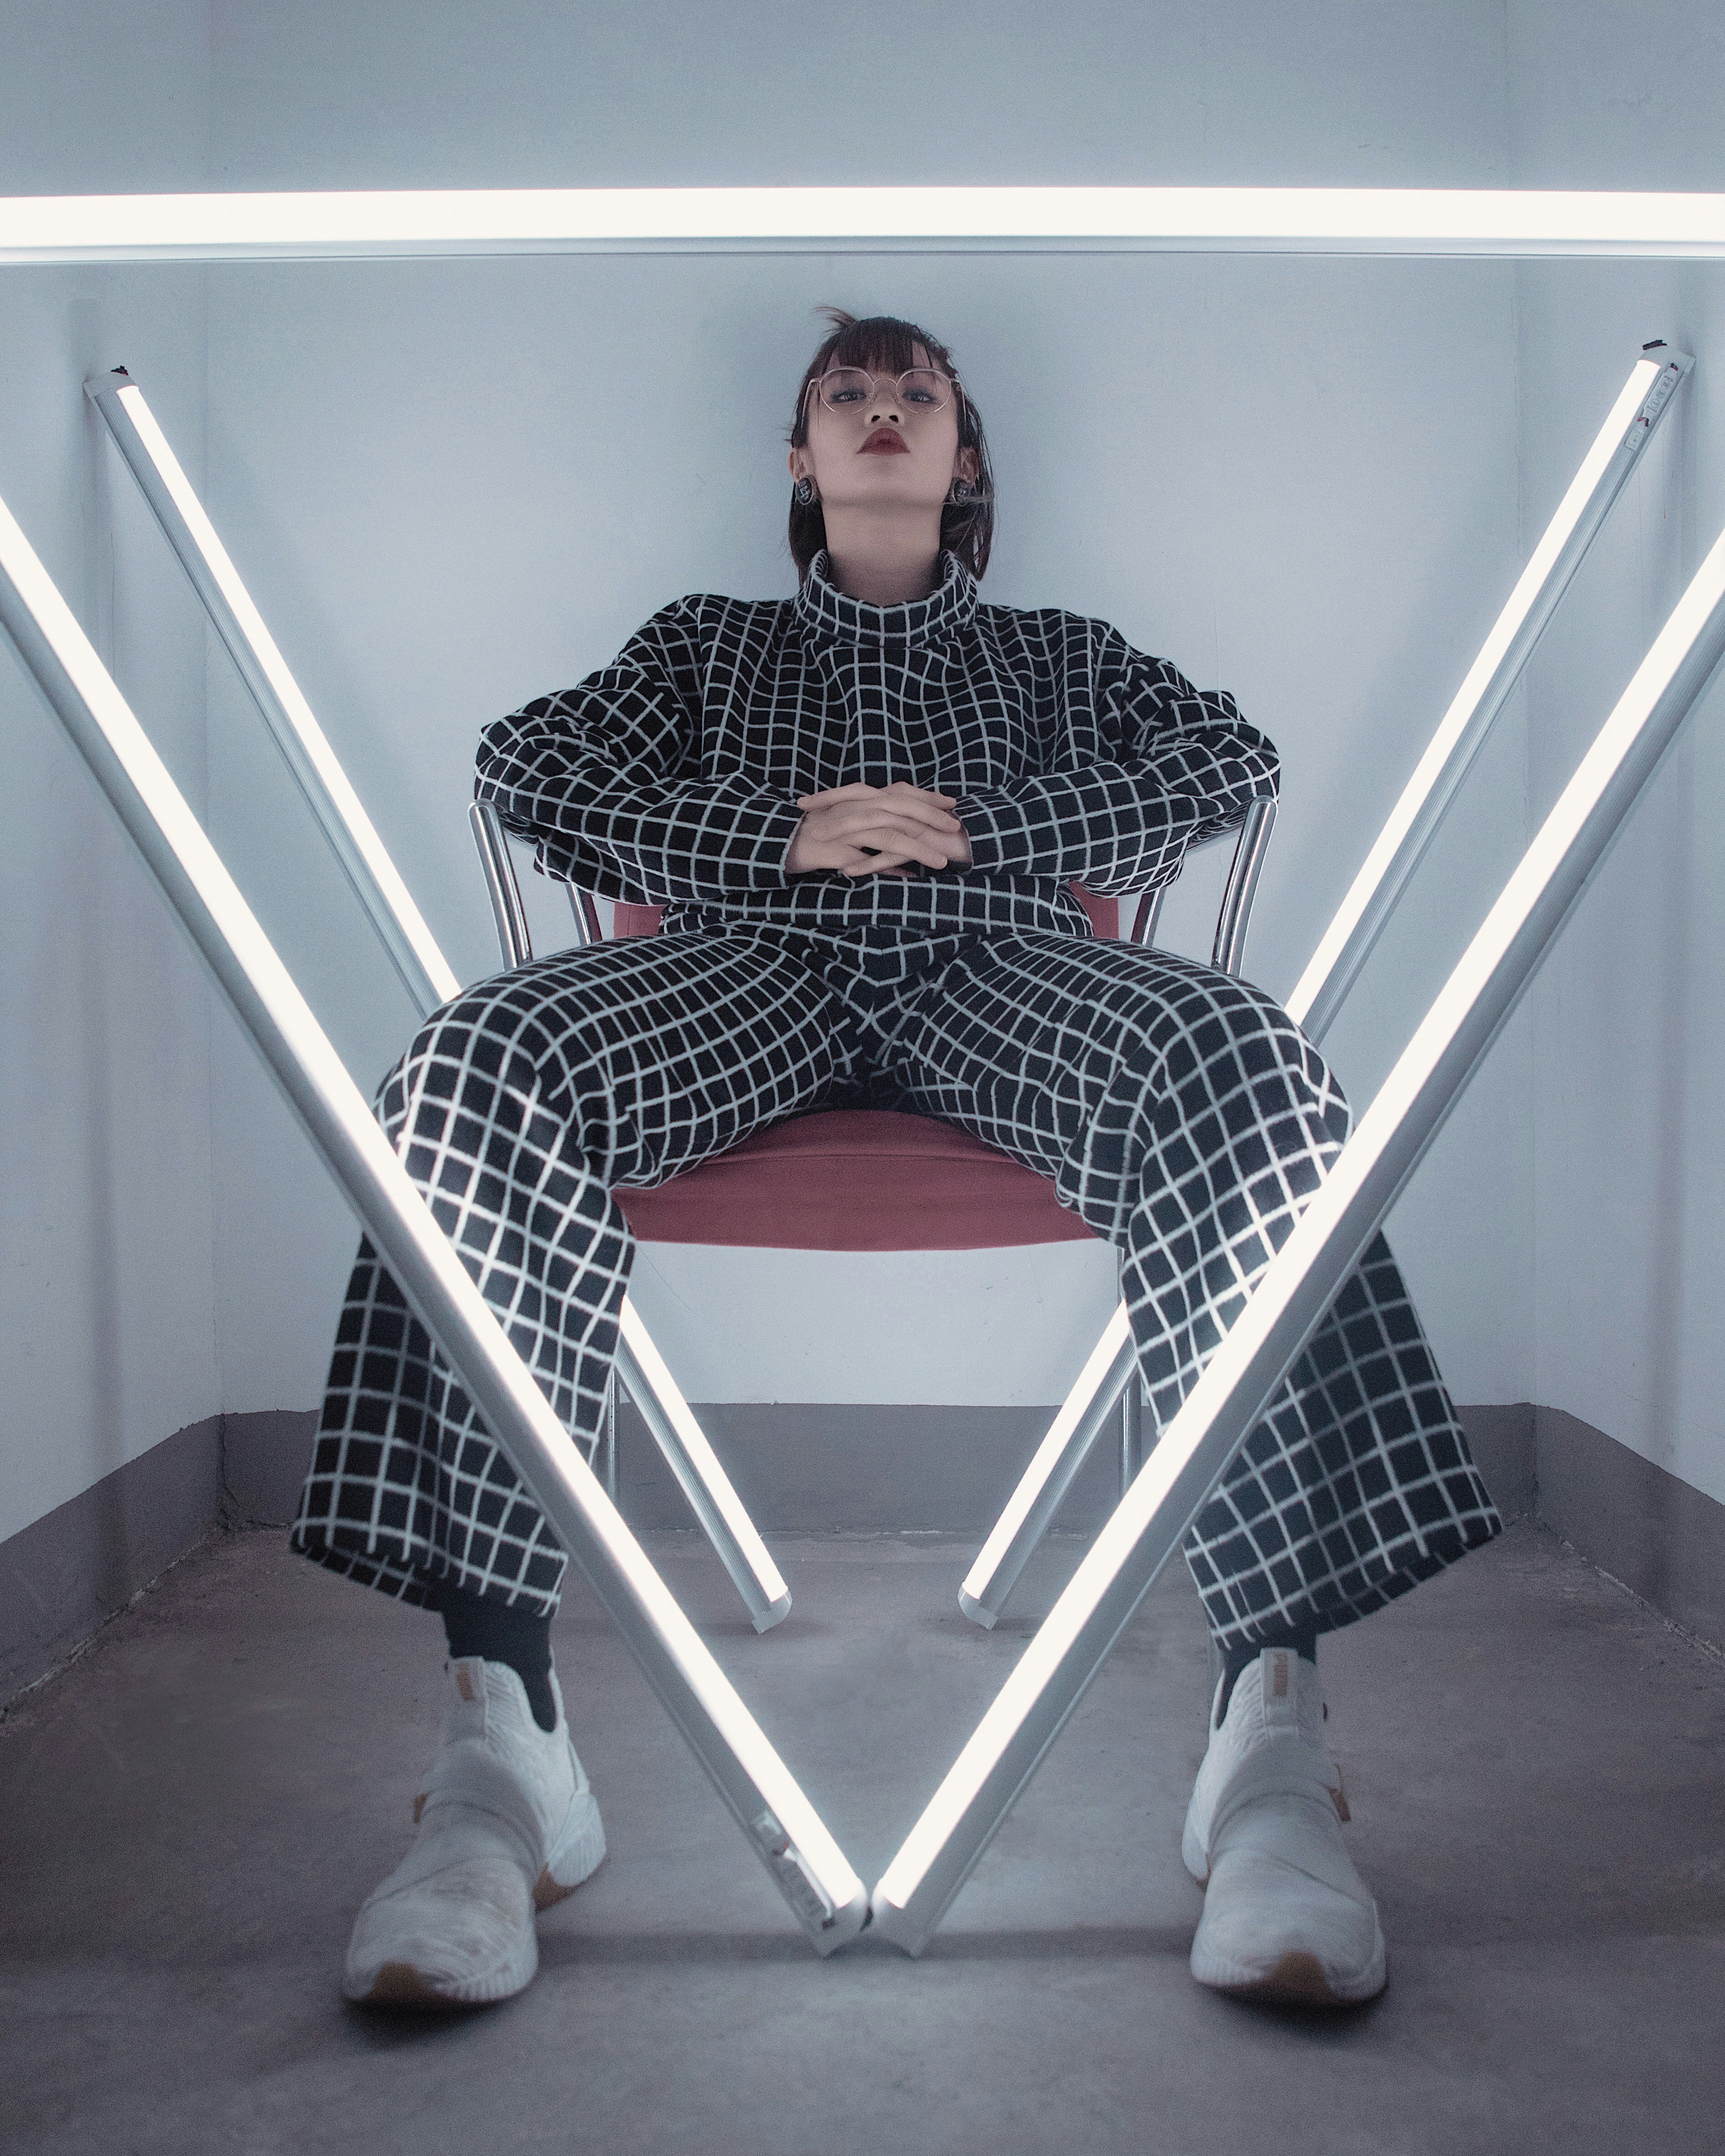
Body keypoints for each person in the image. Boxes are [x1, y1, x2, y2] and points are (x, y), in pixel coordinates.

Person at [291, 307, 1501, 2012]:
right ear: (798, 457)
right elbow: (528, 762)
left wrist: (985, 829)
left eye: (914, 394)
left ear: (965, 455)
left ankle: (1269, 1737)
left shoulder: (1059, 653)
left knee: (1245, 1051)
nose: (879, 412)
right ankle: (504, 1748)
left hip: (999, 972)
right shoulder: (705, 645)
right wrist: (766, 833)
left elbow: (1228, 755)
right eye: (844, 396)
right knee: (473, 1058)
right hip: (748, 968)